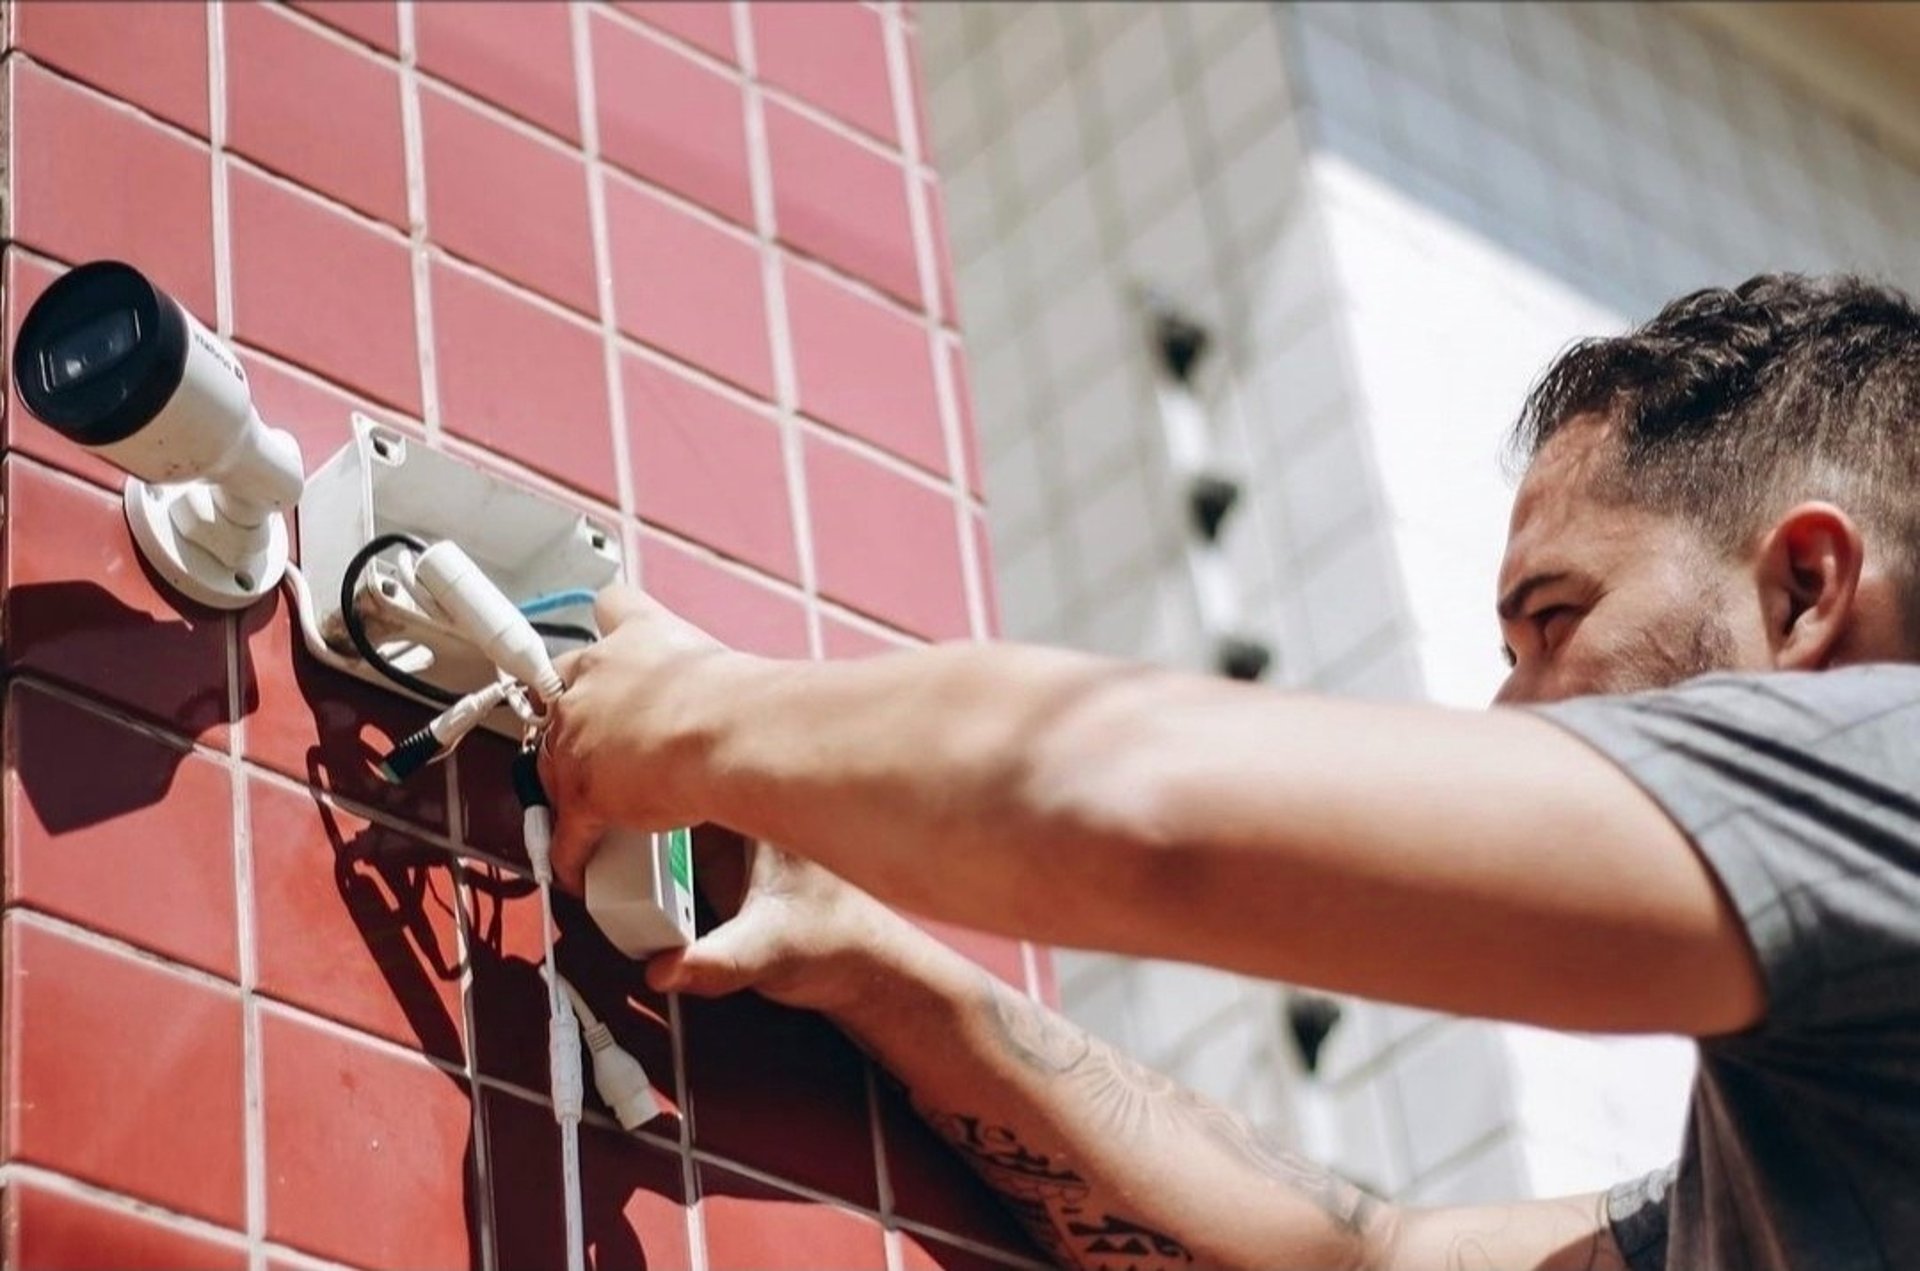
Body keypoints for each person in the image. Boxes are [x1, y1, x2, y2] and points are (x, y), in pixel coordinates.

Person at [538, 274, 1920, 1271]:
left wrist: (698, 712)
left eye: (1554, 620)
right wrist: (870, 960)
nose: (1509, 714)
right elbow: (1361, 1263)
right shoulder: (1776, 1175)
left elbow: (1125, 800)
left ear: (1805, 591)